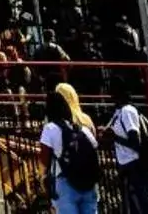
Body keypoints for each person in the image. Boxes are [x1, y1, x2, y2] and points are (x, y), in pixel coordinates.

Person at [40, 82, 104, 214]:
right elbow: (95, 147)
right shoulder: (85, 123)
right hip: (88, 180)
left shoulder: (51, 127)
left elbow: (45, 159)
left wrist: (44, 177)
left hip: (65, 180)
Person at [107, 88, 148, 214]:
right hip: (126, 165)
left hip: (135, 164)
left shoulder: (127, 111)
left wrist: (116, 138)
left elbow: (135, 141)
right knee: (132, 205)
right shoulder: (117, 113)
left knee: (143, 203)